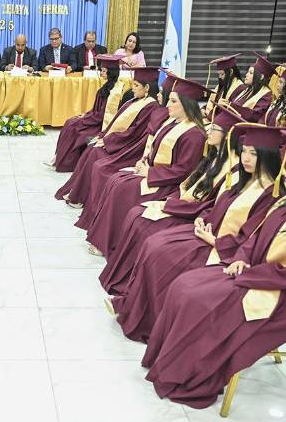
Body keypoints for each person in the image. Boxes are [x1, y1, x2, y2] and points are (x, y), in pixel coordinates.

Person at [142, 131, 286, 409]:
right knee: (185, 285)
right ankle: (168, 363)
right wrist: (242, 258)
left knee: (199, 300)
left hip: (285, 299)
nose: (284, 174)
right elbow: (255, 237)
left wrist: (249, 274)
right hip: (255, 273)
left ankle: (187, 375)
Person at [112, 124, 284, 342]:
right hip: (208, 235)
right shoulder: (246, 181)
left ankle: (152, 324)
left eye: (254, 154)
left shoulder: (272, 194)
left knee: (162, 256)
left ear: (268, 157)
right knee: (154, 244)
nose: (246, 158)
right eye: (245, 152)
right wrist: (205, 218)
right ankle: (133, 308)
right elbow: (218, 207)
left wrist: (214, 240)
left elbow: (254, 238)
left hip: (223, 251)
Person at [97, 102, 245, 298]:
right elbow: (191, 182)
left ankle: (130, 286)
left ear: (228, 137)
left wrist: (172, 203)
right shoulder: (215, 155)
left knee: (142, 221)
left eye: (215, 129)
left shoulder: (232, 169)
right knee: (133, 208)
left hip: (190, 212)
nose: (208, 131)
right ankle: (121, 270)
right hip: (185, 203)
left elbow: (210, 201)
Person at [83, 76, 208, 257]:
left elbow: (184, 171)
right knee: (115, 181)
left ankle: (110, 243)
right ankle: (103, 237)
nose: (168, 105)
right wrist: (145, 160)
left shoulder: (194, 135)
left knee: (122, 189)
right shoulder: (173, 122)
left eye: (173, 101)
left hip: (169, 184)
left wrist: (150, 172)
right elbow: (156, 148)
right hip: (155, 173)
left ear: (187, 104)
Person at [55, 68, 166, 208]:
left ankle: (80, 196)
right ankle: (76, 192)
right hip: (121, 141)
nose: (133, 88)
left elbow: (135, 133)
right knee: (92, 147)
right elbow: (117, 122)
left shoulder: (151, 107)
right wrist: (103, 136)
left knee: (96, 153)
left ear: (147, 87)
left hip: (129, 148)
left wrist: (108, 141)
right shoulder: (135, 100)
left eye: (136, 85)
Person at [47, 59, 124, 172]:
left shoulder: (114, 92)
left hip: (99, 124)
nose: (101, 73)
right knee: (70, 122)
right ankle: (59, 158)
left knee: (73, 127)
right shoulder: (108, 86)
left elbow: (103, 116)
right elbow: (96, 110)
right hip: (94, 118)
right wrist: (85, 115)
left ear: (110, 72)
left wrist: (85, 119)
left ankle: (66, 163)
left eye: (103, 71)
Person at [234, 53, 274, 120]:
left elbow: (255, 116)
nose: (246, 75)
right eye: (248, 72)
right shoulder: (248, 89)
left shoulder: (266, 95)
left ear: (261, 77)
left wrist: (234, 108)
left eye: (251, 73)